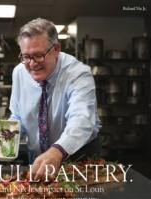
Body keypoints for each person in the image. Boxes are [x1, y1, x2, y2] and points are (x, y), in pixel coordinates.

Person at [9, 18, 101, 180]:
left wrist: (57, 150)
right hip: (38, 159)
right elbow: (17, 116)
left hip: (76, 157)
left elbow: (81, 119)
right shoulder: (19, 72)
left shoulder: (78, 73)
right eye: (26, 57)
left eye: (38, 56)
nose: (32, 64)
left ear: (56, 49)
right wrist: (3, 136)